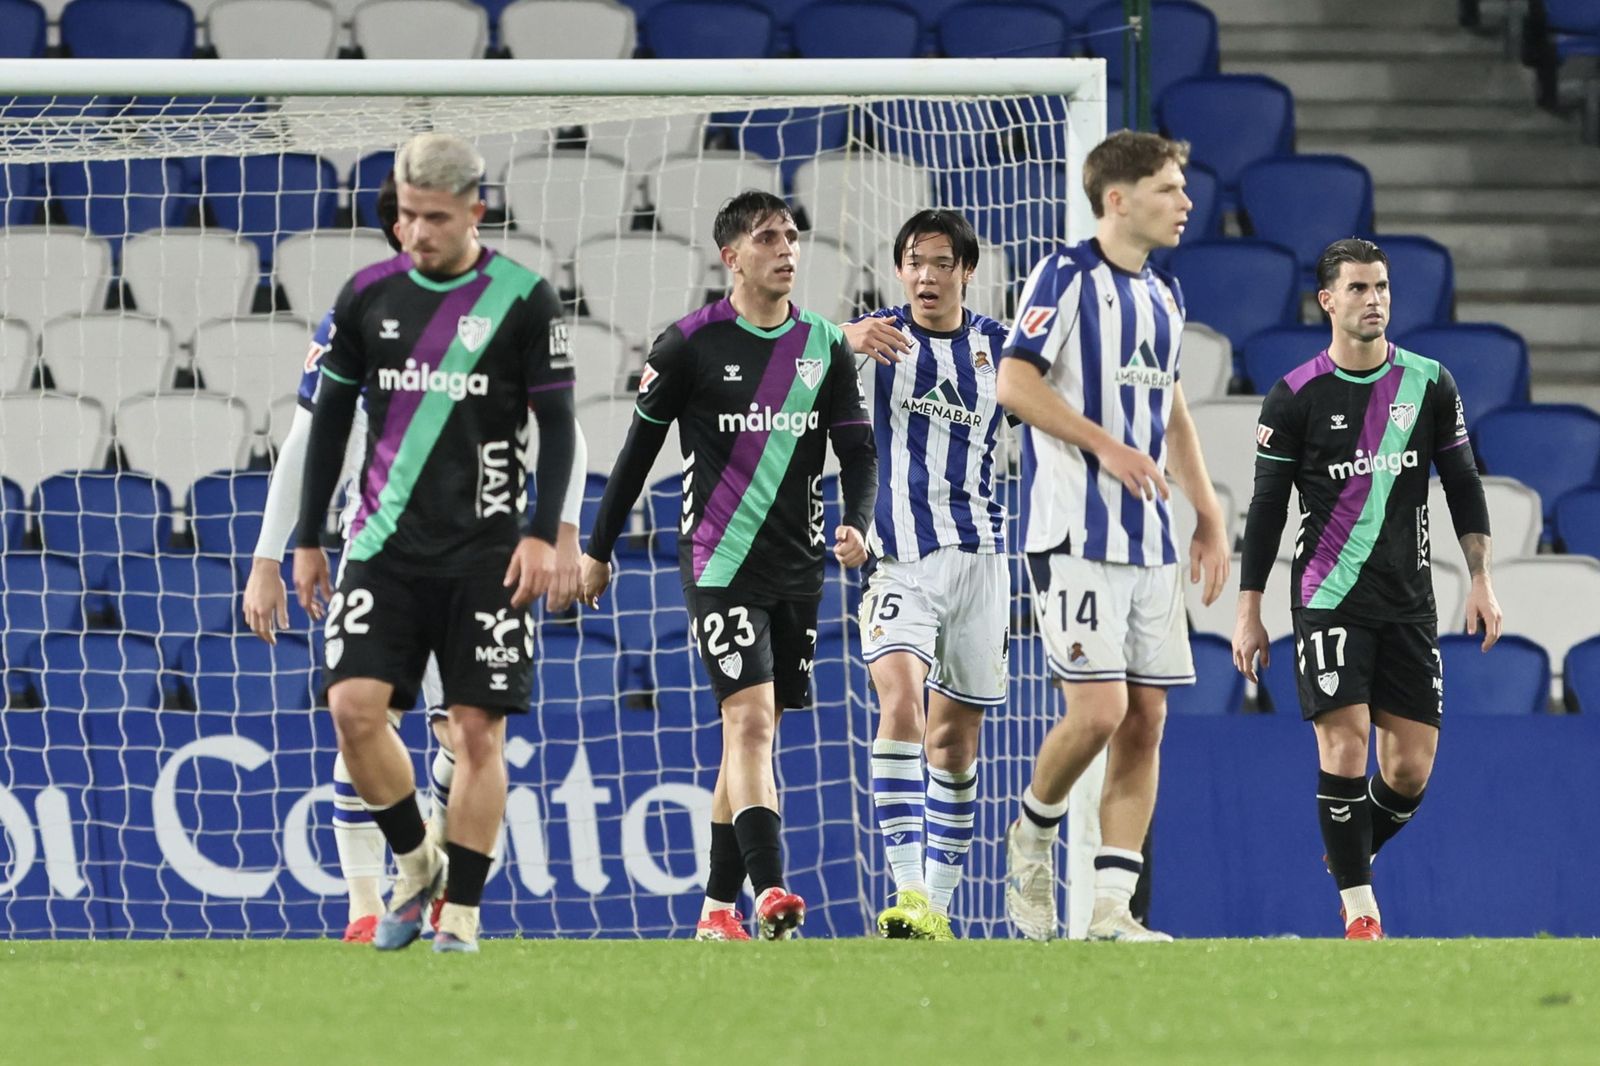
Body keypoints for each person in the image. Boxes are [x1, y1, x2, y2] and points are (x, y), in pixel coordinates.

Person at [243, 172, 586, 943]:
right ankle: (374, 898)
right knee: (361, 711)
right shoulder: (362, 305)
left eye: (432, 216)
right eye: (406, 218)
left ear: (471, 214)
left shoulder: (516, 300)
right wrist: (283, 549)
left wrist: (558, 529)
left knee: (465, 735)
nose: (417, 231)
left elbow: (564, 425)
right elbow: (312, 434)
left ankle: (452, 904)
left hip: (483, 556)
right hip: (381, 542)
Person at [578, 189, 877, 942]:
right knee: (747, 724)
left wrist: (858, 522)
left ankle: (716, 909)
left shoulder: (826, 347)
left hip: (797, 568)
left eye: (792, 236)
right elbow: (635, 457)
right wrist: (598, 549)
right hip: (718, 561)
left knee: (754, 736)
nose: (787, 249)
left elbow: (857, 450)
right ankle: (772, 891)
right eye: (768, 238)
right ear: (731, 256)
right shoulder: (688, 345)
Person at [1231, 237, 1502, 940]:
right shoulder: (1294, 396)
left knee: (1408, 770)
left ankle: (1347, 846)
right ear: (1327, 301)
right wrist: (1249, 607)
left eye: (1381, 287)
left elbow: (1463, 484)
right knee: (1344, 747)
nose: (1374, 300)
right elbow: (1266, 510)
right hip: (1327, 593)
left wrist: (1482, 579)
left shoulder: (1430, 383)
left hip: (1409, 600)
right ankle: (1361, 910)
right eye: (1358, 289)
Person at [997, 130, 1230, 942]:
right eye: (1169, 187)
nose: (1185, 202)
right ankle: (1032, 831)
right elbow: (1013, 380)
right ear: (1119, 198)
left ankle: (1109, 910)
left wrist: (1206, 511)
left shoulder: (1164, 297)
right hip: (1073, 534)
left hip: (1150, 542)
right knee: (1098, 710)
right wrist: (1104, 443)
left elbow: (1171, 410)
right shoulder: (1063, 275)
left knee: (1146, 721)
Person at [838, 209, 1010, 941]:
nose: (926, 275)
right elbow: (787, 369)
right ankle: (908, 895)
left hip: (978, 561)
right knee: (902, 705)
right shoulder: (876, 338)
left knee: (955, 742)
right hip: (898, 562)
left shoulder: (999, 349)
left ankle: (937, 907)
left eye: (941, 262)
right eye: (913, 261)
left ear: (966, 269)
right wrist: (842, 339)